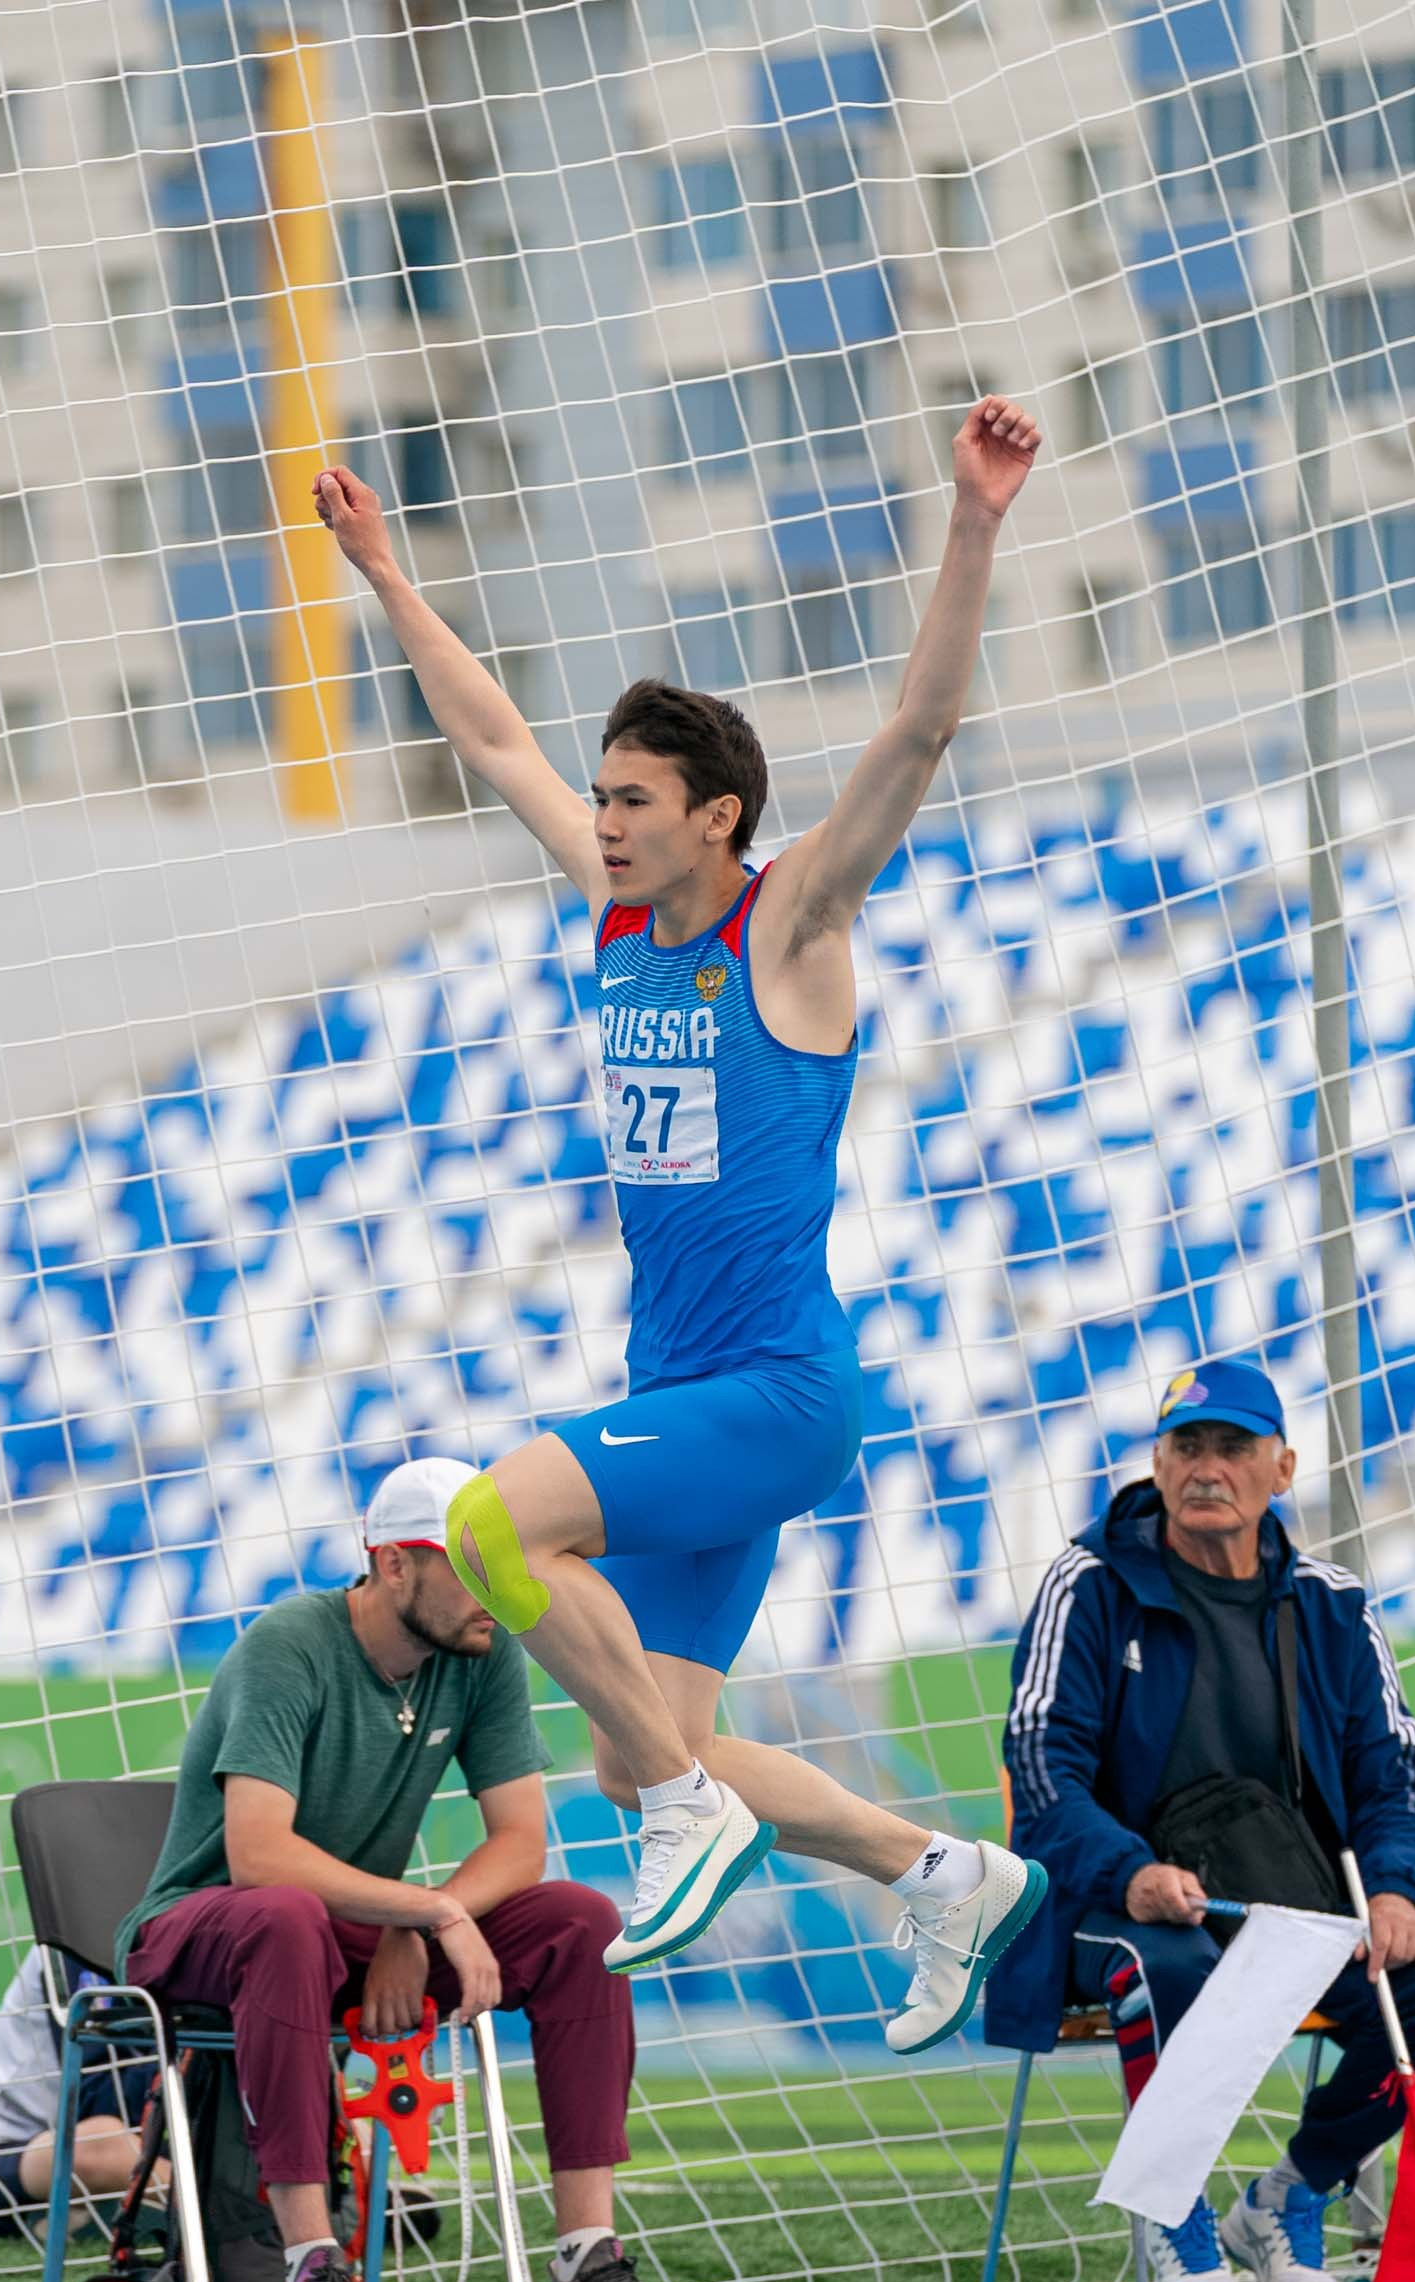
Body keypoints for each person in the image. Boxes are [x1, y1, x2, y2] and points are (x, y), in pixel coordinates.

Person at [311, 403, 1049, 2052]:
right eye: (601, 798)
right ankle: (938, 1873)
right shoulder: (616, 919)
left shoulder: (790, 929)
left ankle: (694, 1820)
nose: (605, 820)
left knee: (489, 1527)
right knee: (647, 1747)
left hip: (773, 1392)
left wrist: (973, 519)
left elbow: (919, 733)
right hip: (684, 1395)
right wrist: (385, 573)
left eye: (634, 799)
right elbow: (492, 736)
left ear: (717, 816)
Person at [116, 1454, 695, 2282]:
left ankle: (586, 2261)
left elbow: (520, 1843)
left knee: (580, 1924)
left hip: (345, 1926)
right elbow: (258, 1856)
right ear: (393, 1564)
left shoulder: (484, 1651)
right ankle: (309, 2272)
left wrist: (418, 1919)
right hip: (208, 1922)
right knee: (284, 1918)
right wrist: (429, 1914)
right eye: (473, 1569)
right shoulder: (290, 1642)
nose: (497, 1593)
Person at [988, 1358, 1415, 2282]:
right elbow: (1041, 1767)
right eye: (1186, 1446)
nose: (1207, 1468)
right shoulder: (1087, 1584)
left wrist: (1395, 1890)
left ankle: (1291, 2195)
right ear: (1158, 1462)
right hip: (1110, 1908)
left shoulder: (1333, 1602)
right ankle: (1172, 2209)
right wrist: (1130, 1871)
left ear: (1283, 1468)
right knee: (1165, 1965)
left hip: (1286, 1903)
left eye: (1233, 1447)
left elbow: (1393, 1772)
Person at [0, 1948, 157, 2242]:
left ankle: (119, 2208)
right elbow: (98, 2100)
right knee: (99, 2143)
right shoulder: (75, 1943)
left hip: (139, 2145)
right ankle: (209, 2209)